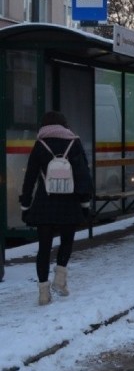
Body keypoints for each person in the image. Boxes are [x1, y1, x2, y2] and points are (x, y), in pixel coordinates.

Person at [19, 111, 94, 305]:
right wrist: (85, 203)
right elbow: (83, 177)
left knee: (43, 248)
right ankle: (60, 282)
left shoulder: (40, 144)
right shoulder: (73, 143)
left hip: (45, 203)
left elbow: (30, 178)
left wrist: (25, 204)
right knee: (66, 242)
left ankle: (43, 293)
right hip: (69, 204)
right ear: (64, 125)